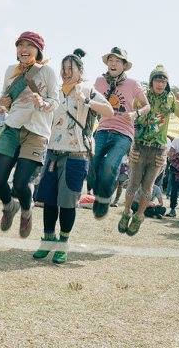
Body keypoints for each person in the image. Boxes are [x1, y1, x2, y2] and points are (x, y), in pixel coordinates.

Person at [32, 48, 113, 264]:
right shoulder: (56, 91)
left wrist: (85, 101)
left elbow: (109, 112)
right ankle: (47, 241)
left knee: (67, 202)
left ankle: (63, 244)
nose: (66, 72)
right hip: (53, 152)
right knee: (49, 200)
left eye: (71, 69)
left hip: (76, 154)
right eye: (63, 69)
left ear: (80, 70)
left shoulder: (87, 90)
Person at [0, 31, 59, 239]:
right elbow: (5, 96)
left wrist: (44, 103)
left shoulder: (46, 71)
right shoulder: (11, 70)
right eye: (20, 45)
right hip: (12, 128)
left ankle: (26, 212)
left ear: (38, 50)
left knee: (21, 183)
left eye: (29, 45)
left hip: (37, 131)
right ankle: (8, 206)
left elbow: (55, 101)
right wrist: (3, 105)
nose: (24, 49)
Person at [118, 64, 179, 237]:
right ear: (151, 82)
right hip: (139, 146)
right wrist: (130, 147)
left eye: (164, 81)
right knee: (133, 183)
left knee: (148, 186)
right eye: (157, 80)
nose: (160, 84)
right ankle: (126, 212)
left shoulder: (170, 99)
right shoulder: (141, 96)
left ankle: (139, 216)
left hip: (158, 149)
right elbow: (129, 120)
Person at [89, 47, 147, 219]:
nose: (113, 64)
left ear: (124, 65)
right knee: (92, 164)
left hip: (124, 132)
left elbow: (147, 105)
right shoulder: (99, 81)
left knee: (110, 166)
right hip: (103, 129)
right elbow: (91, 100)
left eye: (117, 61)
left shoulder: (132, 84)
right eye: (110, 61)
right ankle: (98, 192)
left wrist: (135, 114)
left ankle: (104, 199)